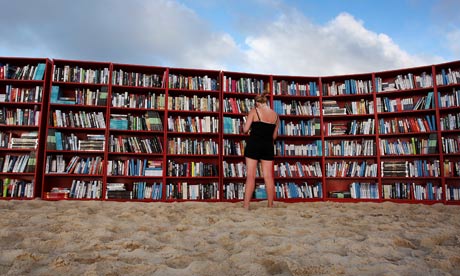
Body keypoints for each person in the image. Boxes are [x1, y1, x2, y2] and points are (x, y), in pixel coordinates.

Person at [242, 92, 279, 209]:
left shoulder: (254, 111)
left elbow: (245, 129)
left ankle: (246, 205)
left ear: (257, 103)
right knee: (268, 177)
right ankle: (270, 204)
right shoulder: (276, 116)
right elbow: (274, 137)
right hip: (268, 147)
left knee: (251, 176)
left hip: (254, 145)